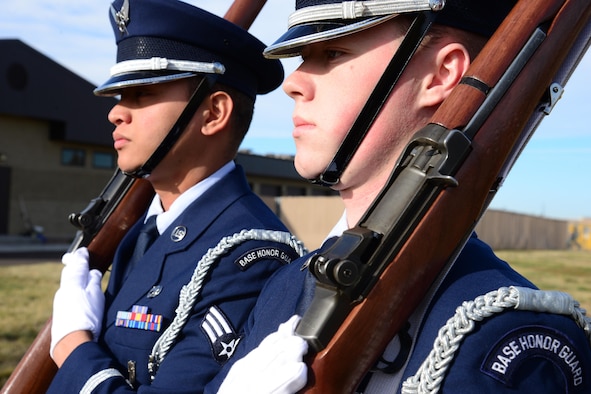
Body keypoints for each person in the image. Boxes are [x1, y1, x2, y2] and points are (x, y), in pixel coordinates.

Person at [206, 0, 591, 392]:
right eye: (304, 56)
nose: (294, 82)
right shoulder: (286, 285)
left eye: (333, 52)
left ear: (441, 75)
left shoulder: (502, 333)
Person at [47, 0, 306, 392]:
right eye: (120, 97)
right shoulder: (142, 232)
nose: (116, 114)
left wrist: (73, 347)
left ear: (213, 113)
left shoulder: (248, 257)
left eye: (142, 94)